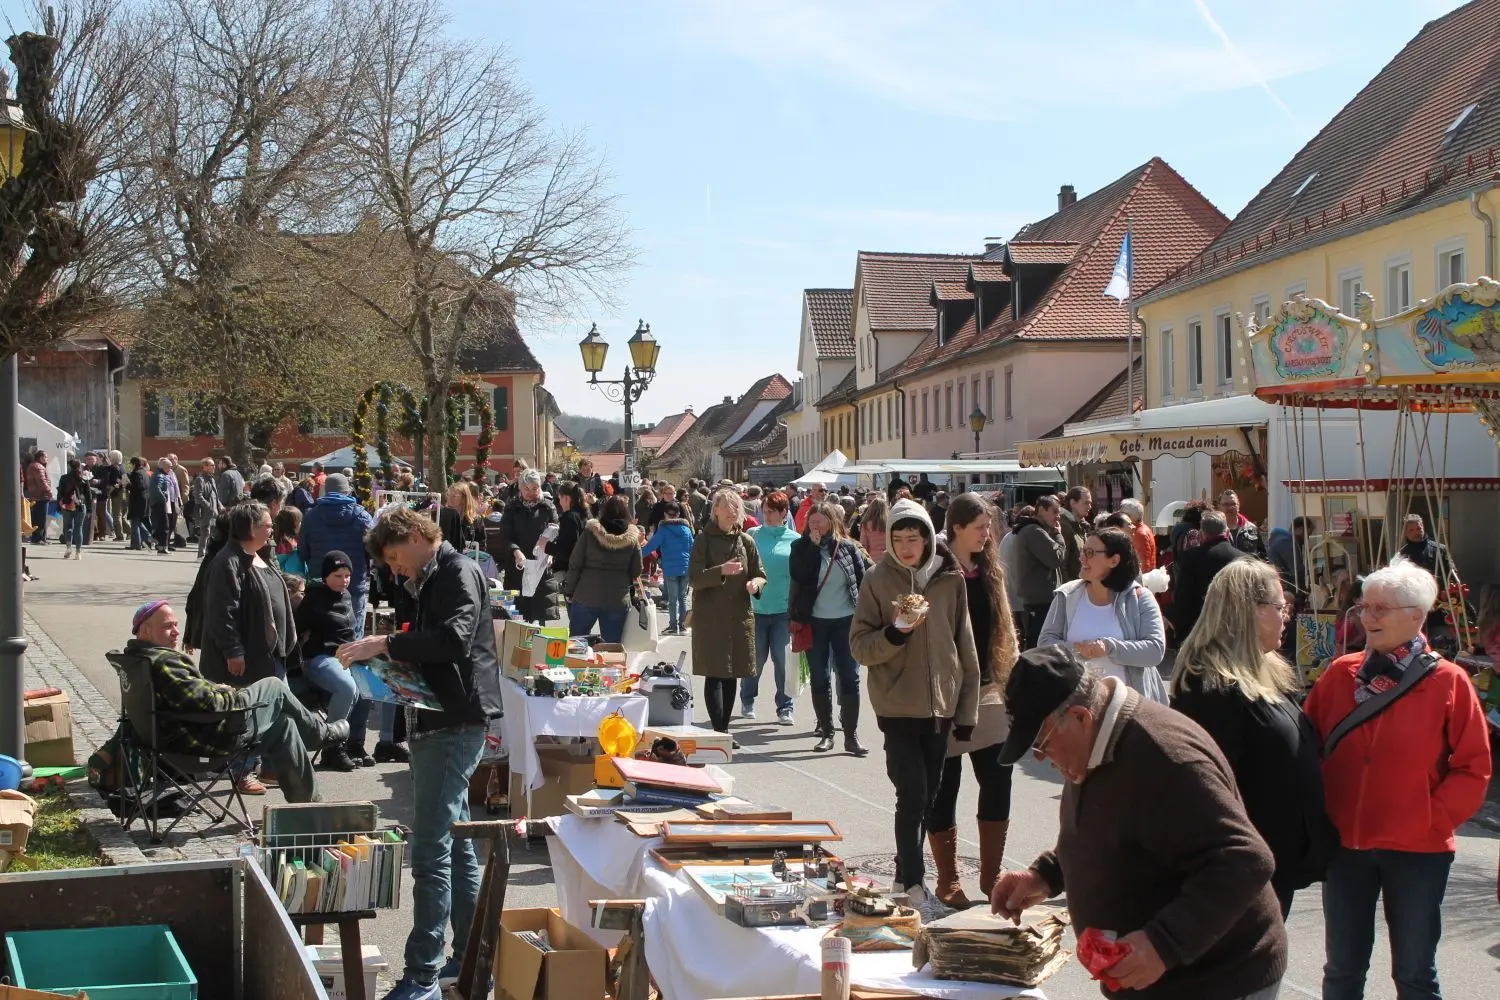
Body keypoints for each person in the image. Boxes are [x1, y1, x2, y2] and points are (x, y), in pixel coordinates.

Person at [992, 646, 1288, 998]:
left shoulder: (1163, 757)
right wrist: (1048, 874)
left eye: (1041, 743)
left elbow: (1245, 859)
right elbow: (1112, 831)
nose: (1039, 758)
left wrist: (1163, 943)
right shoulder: (1091, 745)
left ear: (1081, 716)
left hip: (1218, 981)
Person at [1303, 557, 1491, 1000]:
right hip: (1346, 845)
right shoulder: (1340, 674)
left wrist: (1431, 818)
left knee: (1414, 974)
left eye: (1379, 609)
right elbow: (1307, 747)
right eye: (1364, 607)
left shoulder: (1449, 681)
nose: (1367, 616)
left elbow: (1474, 766)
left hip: (1418, 851)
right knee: (1343, 972)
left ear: (1415, 615)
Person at [335, 507, 501, 1000]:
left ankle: (422, 974)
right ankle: (469, 960)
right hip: (443, 718)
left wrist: (386, 644)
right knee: (457, 844)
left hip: (453, 721)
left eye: (393, 557)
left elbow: (453, 640)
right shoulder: (433, 577)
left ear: (412, 536)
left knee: (430, 850)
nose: (394, 568)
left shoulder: (455, 572)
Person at [1170, 559, 1338, 918]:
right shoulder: (1210, 687)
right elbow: (1204, 789)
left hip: (1278, 863)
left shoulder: (1267, 669)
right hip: (1244, 874)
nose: (1287, 616)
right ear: (1248, 611)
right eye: (1281, 607)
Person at [849, 497, 979, 918]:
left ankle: (904, 875)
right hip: (897, 704)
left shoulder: (949, 579)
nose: (907, 547)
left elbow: (965, 645)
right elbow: (860, 646)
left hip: (941, 703)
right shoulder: (876, 580)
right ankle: (915, 882)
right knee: (912, 794)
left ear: (928, 539)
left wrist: (968, 710)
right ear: (888, 540)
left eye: (914, 538)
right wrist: (896, 633)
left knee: (929, 797)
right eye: (899, 539)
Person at [118, 600, 347, 803]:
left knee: (284, 726)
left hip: (176, 742)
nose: (177, 632)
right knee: (274, 686)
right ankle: (320, 734)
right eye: (168, 626)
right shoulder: (164, 662)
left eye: (177, 624)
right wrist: (229, 692)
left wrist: (217, 688)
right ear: (145, 631)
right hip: (206, 743)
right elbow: (213, 705)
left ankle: (307, 807)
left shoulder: (135, 661)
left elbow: (192, 698)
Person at [925, 492, 1018, 908]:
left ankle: (991, 876)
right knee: (945, 786)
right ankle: (947, 878)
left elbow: (1005, 625)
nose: (987, 535)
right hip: (945, 694)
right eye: (980, 528)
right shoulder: (936, 569)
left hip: (989, 690)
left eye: (989, 528)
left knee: (999, 777)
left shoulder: (989, 569)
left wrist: (1013, 673)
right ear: (956, 528)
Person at [200, 501, 302, 795]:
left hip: (271, 654)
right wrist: (234, 651)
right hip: (247, 658)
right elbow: (222, 612)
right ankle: (242, 771)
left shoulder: (261, 556)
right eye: (267, 525)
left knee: (276, 713)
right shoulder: (228, 562)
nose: (272, 530)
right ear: (249, 528)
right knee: (249, 716)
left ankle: (270, 767)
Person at [1038, 527, 1168, 702]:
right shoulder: (1066, 595)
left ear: (1114, 560)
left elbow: (1154, 651)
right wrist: (1077, 649)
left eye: (1090, 552)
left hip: (1128, 709)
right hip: (1076, 708)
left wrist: (1109, 647)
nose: (1081, 557)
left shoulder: (1140, 598)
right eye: (1083, 551)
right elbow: (1045, 644)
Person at [789, 500, 868, 754]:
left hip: (845, 620)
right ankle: (826, 732)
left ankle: (851, 736)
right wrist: (812, 548)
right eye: (811, 521)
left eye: (820, 521)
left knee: (850, 678)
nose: (815, 525)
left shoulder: (847, 548)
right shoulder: (800, 547)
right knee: (820, 677)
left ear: (831, 522)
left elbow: (863, 579)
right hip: (815, 622)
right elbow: (799, 575)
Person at [690, 489, 765, 745]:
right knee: (715, 673)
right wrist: (721, 570)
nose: (733, 510)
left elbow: (759, 573)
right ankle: (718, 731)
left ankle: (723, 730)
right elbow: (695, 578)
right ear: (716, 510)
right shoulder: (703, 539)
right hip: (710, 616)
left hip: (738, 616)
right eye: (727, 505)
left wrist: (755, 583)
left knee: (733, 673)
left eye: (736, 506)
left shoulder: (746, 541)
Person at [294, 551, 361, 772]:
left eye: (347, 575)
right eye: (338, 576)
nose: (344, 581)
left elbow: (349, 632)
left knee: (373, 688)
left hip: (348, 655)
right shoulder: (313, 598)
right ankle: (332, 746)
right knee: (347, 687)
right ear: (325, 577)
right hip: (320, 658)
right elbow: (294, 631)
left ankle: (357, 745)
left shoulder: (347, 595)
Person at [741, 491, 796, 722]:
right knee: (755, 660)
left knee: (783, 661)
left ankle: (785, 706)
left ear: (784, 513)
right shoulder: (752, 535)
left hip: (784, 611)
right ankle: (747, 700)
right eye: (764, 511)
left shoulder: (796, 539)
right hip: (756, 609)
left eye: (772, 512)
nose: (767, 516)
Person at [299, 473, 375, 637]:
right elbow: (373, 551)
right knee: (352, 634)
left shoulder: (311, 517)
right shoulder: (362, 517)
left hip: (320, 582)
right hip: (352, 582)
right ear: (348, 491)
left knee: (321, 635)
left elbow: (303, 552)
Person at [564, 494, 642, 643]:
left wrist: (569, 589)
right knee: (612, 647)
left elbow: (576, 562)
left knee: (576, 643)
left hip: (586, 594)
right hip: (617, 598)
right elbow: (636, 570)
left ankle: (575, 665)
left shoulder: (590, 532)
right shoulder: (632, 537)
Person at [1171, 510, 1246, 643]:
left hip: (1200, 629)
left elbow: (1183, 598)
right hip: (1235, 630)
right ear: (1227, 532)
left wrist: (1181, 633)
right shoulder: (1243, 558)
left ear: (1201, 534)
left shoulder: (1191, 558)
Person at [497, 469, 558, 623]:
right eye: (527, 489)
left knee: (539, 620)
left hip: (541, 570)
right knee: (517, 620)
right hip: (518, 569)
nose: (531, 492)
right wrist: (515, 551)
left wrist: (551, 553)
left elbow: (556, 533)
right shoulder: (511, 509)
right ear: (520, 488)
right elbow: (505, 537)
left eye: (535, 488)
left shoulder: (548, 507)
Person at [1013, 496, 1065, 649]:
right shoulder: (1034, 531)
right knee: (1038, 646)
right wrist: (1058, 535)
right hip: (1040, 601)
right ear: (1041, 510)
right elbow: (1056, 558)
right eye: (1054, 512)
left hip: (1039, 598)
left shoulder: (1035, 529)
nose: (1058, 517)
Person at [641, 501, 694, 636]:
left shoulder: (663, 530)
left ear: (665, 515)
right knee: (682, 598)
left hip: (670, 568)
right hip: (685, 566)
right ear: (678, 514)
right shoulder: (687, 530)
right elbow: (692, 548)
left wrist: (637, 554)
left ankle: (672, 626)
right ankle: (683, 626)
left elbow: (651, 546)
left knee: (672, 599)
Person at [56, 458, 94, 559]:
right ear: (80, 466)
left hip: (67, 505)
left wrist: (59, 506)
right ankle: (78, 552)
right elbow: (88, 495)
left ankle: (68, 548)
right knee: (78, 528)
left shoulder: (64, 478)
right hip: (80, 505)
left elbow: (59, 493)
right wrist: (90, 509)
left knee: (68, 527)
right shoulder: (84, 478)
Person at [1268, 515, 1311, 600]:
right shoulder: (1286, 542)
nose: (1307, 538)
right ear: (1299, 530)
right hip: (1287, 586)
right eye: (1307, 534)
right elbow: (1296, 570)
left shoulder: (1283, 540)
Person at [1218, 490, 1267, 560]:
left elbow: (1263, 556)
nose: (1230, 507)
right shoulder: (1214, 530)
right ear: (1219, 506)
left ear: (1238, 506)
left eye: (1233, 504)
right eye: (1226, 504)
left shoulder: (1252, 529)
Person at [189, 458, 222, 559]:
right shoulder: (200, 479)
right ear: (205, 467)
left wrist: (220, 506)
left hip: (214, 510)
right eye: (212, 466)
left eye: (214, 465)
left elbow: (215, 495)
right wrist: (208, 506)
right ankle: (201, 554)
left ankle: (209, 553)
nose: (214, 467)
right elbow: (198, 496)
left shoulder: (211, 479)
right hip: (205, 511)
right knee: (205, 532)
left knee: (213, 533)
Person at [149, 458, 182, 555]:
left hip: (157, 502)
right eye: (169, 467)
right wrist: (164, 498)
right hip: (160, 503)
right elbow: (156, 488)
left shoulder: (159, 475)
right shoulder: (160, 476)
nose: (170, 469)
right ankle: (162, 548)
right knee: (165, 525)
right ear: (164, 467)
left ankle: (155, 543)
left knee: (161, 525)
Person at [1059, 486, 1092, 581]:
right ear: (1073, 503)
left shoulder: (1079, 525)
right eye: (1086, 503)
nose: (1090, 507)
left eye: (1090, 503)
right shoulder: (1064, 526)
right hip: (1071, 588)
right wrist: (1068, 591)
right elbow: (1062, 564)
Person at [438, 483, 482, 551]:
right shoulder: (440, 516)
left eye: (454, 496)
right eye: (448, 495)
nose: (449, 499)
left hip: (468, 559)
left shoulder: (476, 520)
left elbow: (481, 545)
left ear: (464, 499)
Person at [1119, 498, 1156, 572]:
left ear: (1129, 516)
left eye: (1122, 514)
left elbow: (1143, 563)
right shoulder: (1141, 529)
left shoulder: (1139, 533)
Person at [24, 449, 52, 545]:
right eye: (45, 457)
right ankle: (39, 538)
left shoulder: (32, 465)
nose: (47, 459)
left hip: (35, 495)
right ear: (40, 457)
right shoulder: (38, 467)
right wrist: (49, 492)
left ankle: (40, 538)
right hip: (41, 496)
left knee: (37, 517)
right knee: (41, 518)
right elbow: (42, 481)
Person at [855, 493, 889, 563]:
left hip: (872, 559)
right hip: (887, 558)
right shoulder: (889, 523)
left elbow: (863, 544)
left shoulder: (866, 524)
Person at [126, 456, 150, 550]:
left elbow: (138, 487)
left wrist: (127, 485)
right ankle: (145, 540)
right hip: (144, 499)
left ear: (133, 464)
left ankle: (136, 544)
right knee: (138, 521)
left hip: (137, 499)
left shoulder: (136, 473)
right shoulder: (144, 472)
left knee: (135, 521)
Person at [273, 507, 304, 576]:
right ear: (293, 526)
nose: (301, 524)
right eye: (299, 522)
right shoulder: (292, 543)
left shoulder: (277, 540)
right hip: (295, 578)